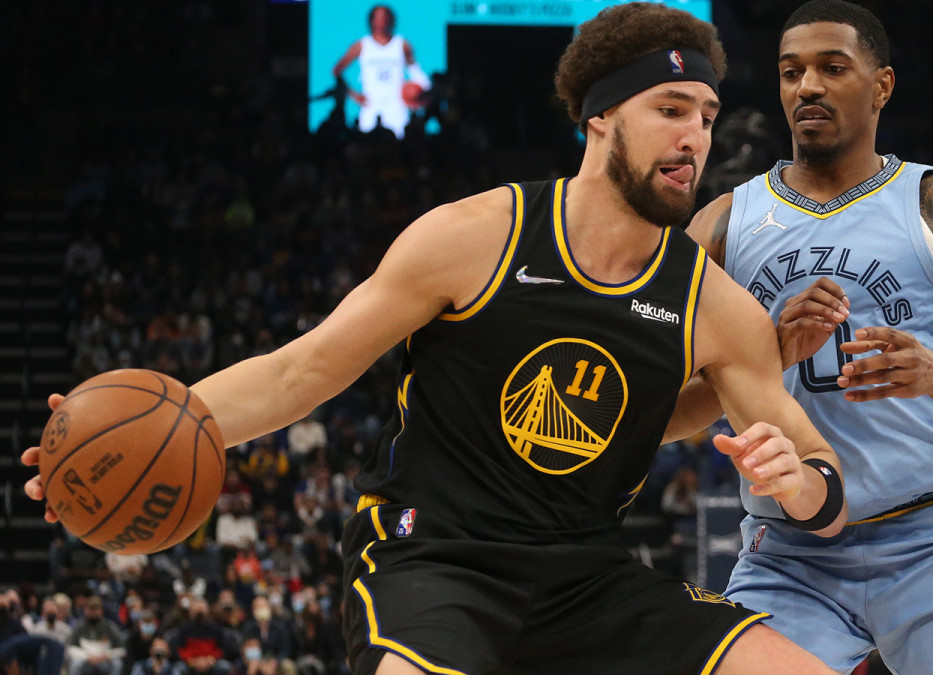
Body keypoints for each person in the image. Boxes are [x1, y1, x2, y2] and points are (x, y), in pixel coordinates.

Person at [24, 4, 846, 674]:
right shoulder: (473, 237)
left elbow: (823, 480)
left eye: (705, 116)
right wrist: (126, 433)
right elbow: (297, 372)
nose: (695, 137)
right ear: (599, 119)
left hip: (588, 577)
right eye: (670, 111)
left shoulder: (713, 304)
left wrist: (800, 485)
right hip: (433, 558)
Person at [679, 1, 933, 672]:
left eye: (833, 68)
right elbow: (658, 417)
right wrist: (764, 356)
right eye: (791, 72)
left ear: (882, 85)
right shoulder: (721, 225)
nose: (807, 86)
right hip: (789, 551)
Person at [331, 5, 431, 139]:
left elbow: (415, 71)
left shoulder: (402, 44)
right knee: (367, 146)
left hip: (397, 106)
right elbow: (337, 70)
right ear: (371, 20)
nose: (381, 21)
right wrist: (353, 95)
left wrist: (421, 92)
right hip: (371, 105)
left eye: (385, 17)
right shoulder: (362, 45)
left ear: (391, 20)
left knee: (397, 147)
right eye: (377, 18)